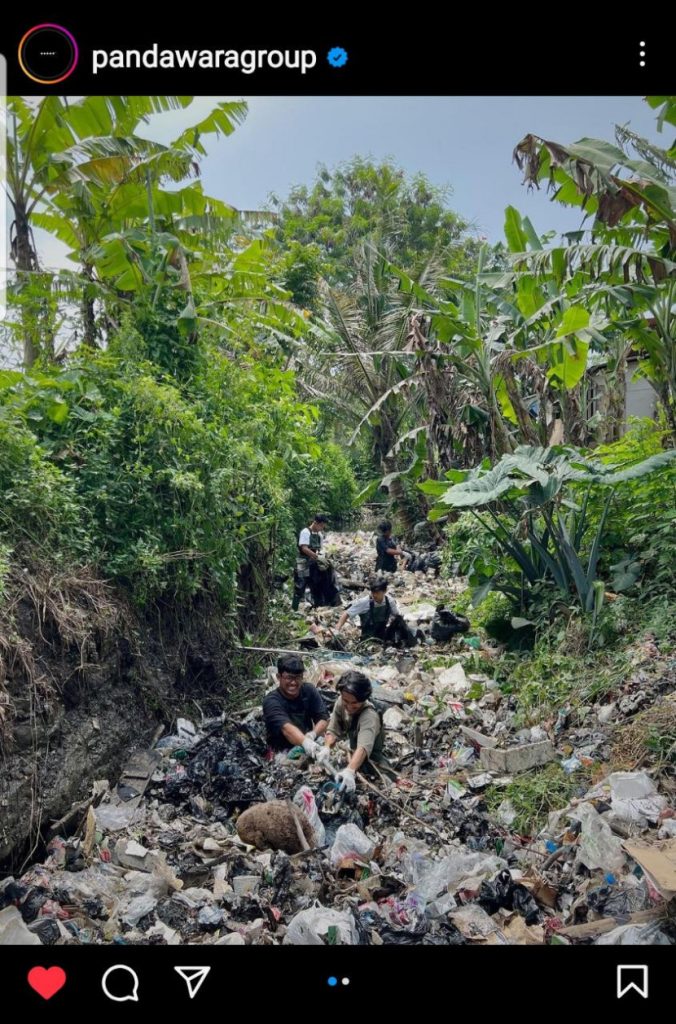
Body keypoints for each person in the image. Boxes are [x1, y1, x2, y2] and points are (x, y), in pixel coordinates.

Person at [319, 671, 392, 790]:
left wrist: (350, 770)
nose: (349, 706)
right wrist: (326, 748)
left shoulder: (369, 716)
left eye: (355, 703)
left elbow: (363, 748)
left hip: (373, 764)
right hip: (353, 757)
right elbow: (333, 729)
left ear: (363, 699)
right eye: (346, 701)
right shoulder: (341, 702)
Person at [262, 654, 328, 756]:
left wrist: (312, 735)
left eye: (298, 677)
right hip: (281, 752)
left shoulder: (309, 691)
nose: (293, 682)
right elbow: (286, 729)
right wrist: (305, 742)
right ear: (279, 677)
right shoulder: (271, 701)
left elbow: (323, 718)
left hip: (308, 745)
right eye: (289, 678)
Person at [335, 577, 416, 646]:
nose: (374, 595)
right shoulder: (364, 602)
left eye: (377, 592)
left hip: (382, 637)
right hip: (367, 640)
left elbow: (396, 615)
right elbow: (346, 613)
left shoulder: (389, 601)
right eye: (373, 592)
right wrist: (337, 630)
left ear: (384, 591)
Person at [292, 513, 327, 610]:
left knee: (316, 584)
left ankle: (317, 607)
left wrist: (322, 558)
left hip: (314, 561)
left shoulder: (319, 535)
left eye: (323, 526)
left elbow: (320, 549)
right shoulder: (305, 532)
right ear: (315, 523)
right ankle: (294, 608)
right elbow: (304, 548)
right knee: (300, 585)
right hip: (302, 560)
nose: (322, 528)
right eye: (321, 526)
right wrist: (316, 556)